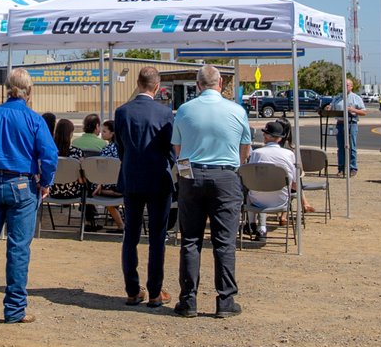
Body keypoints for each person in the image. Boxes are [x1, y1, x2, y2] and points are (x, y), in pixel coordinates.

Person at [0, 68, 58, 324]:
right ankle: (14, 310)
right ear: (29, 91)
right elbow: (49, 156)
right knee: (18, 249)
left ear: (7, 88)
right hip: (22, 185)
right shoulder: (34, 119)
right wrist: (46, 182)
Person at [171, 65, 251, 318]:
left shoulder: (185, 110)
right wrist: (233, 168)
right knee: (224, 241)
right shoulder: (237, 110)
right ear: (220, 83)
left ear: (198, 85)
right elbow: (245, 148)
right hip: (225, 174)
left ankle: (188, 299)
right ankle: (225, 300)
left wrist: (185, 174)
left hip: (191, 173)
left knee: (190, 240)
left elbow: (177, 148)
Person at [113, 66, 176, 307]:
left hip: (131, 178)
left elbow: (120, 145)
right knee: (157, 237)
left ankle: (132, 289)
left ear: (138, 84)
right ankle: (155, 291)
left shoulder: (122, 112)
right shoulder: (165, 113)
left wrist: (130, 162)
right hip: (158, 178)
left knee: (131, 234)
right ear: (157, 87)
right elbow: (171, 148)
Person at [243, 119, 296, 242]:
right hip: (281, 199)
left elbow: (250, 177)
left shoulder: (257, 153)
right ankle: (260, 228)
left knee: (251, 191)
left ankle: (253, 224)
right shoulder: (289, 154)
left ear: (266, 136)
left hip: (258, 197)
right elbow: (294, 182)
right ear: (280, 138)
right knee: (260, 189)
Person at [325, 78, 366, 176]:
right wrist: (328, 108)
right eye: (343, 85)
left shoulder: (356, 98)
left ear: (351, 87)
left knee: (351, 146)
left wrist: (353, 110)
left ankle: (353, 168)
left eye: (347, 85)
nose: (345, 87)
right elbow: (332, 107)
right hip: (340, 123)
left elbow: (364, 112)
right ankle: (341, 168)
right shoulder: (338, 97)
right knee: (340, 147)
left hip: (351, 123)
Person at [48, 118, 86, 202]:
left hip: (52, 191)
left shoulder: (49, 152)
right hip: (73, 192)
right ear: (70, 134)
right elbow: (81, 179)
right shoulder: (77, 152)